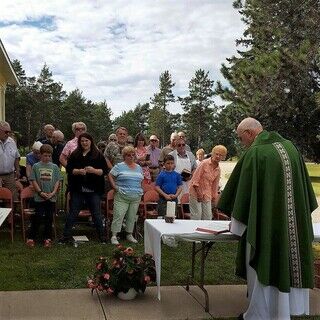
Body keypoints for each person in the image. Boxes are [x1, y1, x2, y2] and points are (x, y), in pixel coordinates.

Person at [217, 117, 318, 320]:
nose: (242, 143)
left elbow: (243, 194)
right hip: (293, 227)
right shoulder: (291, 148)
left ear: (249, 133)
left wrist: (236, 227)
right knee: (288, 265)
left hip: (263, 228)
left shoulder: (255, 153)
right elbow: (304, 193)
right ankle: (285, 311)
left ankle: (259, 314)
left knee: (264, 264)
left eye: (241, 138)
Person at [59, 132, 108, 244]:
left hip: (94, 189)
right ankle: (65, 236)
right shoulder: (75, 154)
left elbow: (103, 171)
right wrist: (77, 171)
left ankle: (102, 237)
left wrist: (93, 170)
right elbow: (69, 169)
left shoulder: (98, 155)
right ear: (79, 143)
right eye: (82, 141)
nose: (84, 143)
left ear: (91, 141)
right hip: (78, 189)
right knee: (73, 212)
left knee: (96, 213)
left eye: (86, 140)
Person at [26, 144, 63, 248]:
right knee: (37, 217)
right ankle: (31, 237)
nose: (47, 158)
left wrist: (53, 193)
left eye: (49, 156)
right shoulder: (36, 166)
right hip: (39, 197)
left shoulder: (55, 167)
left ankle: (47, 238)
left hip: (51, 198)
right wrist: (40, 192)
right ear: (40, 155)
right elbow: (33, 180)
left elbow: (57, 181)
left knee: (49, 218)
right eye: (45, 155)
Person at [108, 145, 144, 245]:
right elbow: (110, 175)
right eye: (128, 155)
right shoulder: (119, 166)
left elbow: (141, 179)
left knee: (132, 216)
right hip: (121, 195)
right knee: (118, 215)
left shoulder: (138, 167)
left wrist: (141, 189)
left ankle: (129, 234)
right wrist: (114, 187)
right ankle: (114, 235)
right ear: (124, 156)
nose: (131, 157)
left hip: (135, 196)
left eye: (133, 155)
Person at [189, 145, 227, 220]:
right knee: (197, 216)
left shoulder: (218, 170)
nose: (218, 156)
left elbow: (215, 187)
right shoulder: (204, 163)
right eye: (217, 154)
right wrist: (199, 194)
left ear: (223, 157)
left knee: (208, 217)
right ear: (213, 153)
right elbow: (195, 180)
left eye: (221, 155)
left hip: (207, 194)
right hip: (195, 192)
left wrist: (214, 200)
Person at [0, 121, 20, 201]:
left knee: (13, 198)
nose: (8, 134)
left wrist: (17, 170)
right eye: (6, 132)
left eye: (9, 132)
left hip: (10, 176)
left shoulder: (12, 141)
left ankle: (13, 213)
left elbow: (16, 156)